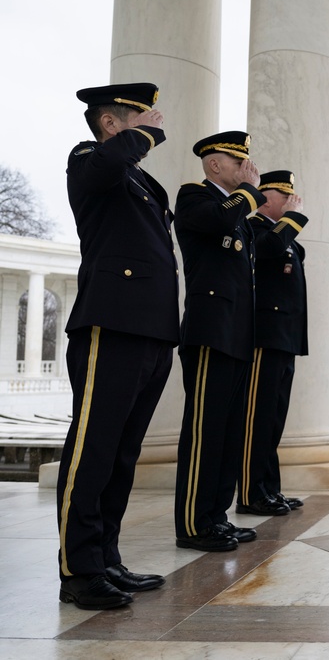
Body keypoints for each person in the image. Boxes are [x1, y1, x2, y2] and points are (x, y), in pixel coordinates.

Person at [57, 82, 177, 610]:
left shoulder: (141, 179)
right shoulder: (89, 159)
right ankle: (79, 570)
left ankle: (106, 557)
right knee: (93, 450)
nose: (153, 119)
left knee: (123, 455)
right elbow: (104, 168)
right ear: (112, 123)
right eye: (140, 114)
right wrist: (144, 136)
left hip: (152, 329)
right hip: (111, 323)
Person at [173, 132, 264, 552]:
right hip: (210, 332)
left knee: (227, 433)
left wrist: (245, 196)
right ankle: (193, 523)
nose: (246, 170)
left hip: (237, 335)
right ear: (214, 165)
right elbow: (217, 220)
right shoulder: (194, 196)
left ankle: (215, 517)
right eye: (237, 162)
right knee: (205, 431)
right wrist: (248, 192)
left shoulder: (237, 211)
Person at [237, 170, 309, 516]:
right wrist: (293, 220)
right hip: (264, 337)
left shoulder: (284, 237)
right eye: (286, 195)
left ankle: (270, 490)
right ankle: (251, 493)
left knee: (275, 419)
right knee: (258, 418)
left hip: (284, 338)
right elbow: (267, 251)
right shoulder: (254, 228)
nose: (292, 201)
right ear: (265, 197)